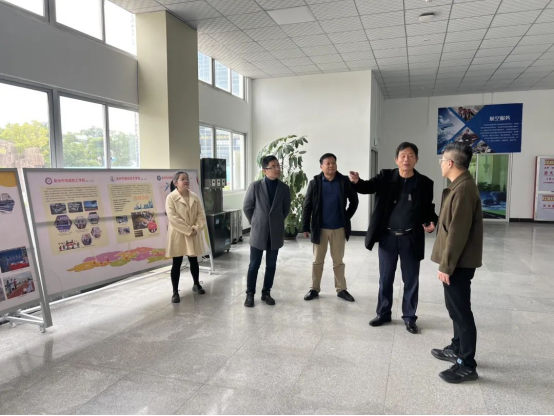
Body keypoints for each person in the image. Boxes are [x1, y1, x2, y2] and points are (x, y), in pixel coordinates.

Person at [349, 142, 437, 334]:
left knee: (411, 279)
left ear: (417, 159)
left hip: (410, 238)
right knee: (385, 278)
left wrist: (431, 221)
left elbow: (427, 208)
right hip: (388, 237)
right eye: (403, 156)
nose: (406, 159)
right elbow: (367, 187)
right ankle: (383, 313)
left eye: (411, 156)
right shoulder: (386, 176)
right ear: (396, 159)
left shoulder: (424, 183)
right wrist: (356, 181)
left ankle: (409, 317)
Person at [431, 143, 483, 384]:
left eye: (442, 160)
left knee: (461, 312)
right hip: (457, 262)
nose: (441, 164)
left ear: (450, 163)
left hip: (458, 263)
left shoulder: (462, 190)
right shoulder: (460, 186)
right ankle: (457, 347)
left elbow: (457, 232)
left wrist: (446, 265)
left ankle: (466, 364)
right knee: (455, 308)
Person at [302, 153, 359, 302]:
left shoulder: (344, 181)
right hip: (320, 228)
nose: (331, 166)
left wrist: (346, 217)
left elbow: (354, 202)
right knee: (317, 261)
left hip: (338, 228)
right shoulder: (315, 182)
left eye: (333, 163)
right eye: (327, 163)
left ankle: (341, 289)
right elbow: (307, 205)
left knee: (338, 261)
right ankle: (314, 289)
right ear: (321, 166)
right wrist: (305, 226)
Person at [243, 155, 291, 307]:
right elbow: (247, 207)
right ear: (265, 170)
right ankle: (250, 294)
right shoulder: (255, 186)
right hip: (259, 232)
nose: (277, 169)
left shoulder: (284, 188)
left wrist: (276, 221)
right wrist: (255, 222)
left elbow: (285, 209)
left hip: (275, 232)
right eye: (273, 166)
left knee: (271, 265)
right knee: (254, 264)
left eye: (278, 165)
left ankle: (266, 293)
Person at [165, 171, 207, 303]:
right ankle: (175, 292)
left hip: (193, 232)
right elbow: (173, 218)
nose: (186, 181)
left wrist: (196, 228)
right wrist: (188, 230)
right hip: (178, 234)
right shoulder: (171, 197)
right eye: (182, 179)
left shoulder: (194, 196)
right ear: (175, 182)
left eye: (187, 178)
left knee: (194, 260)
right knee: (176, 263)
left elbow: (201, 215)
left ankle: (196, 284)